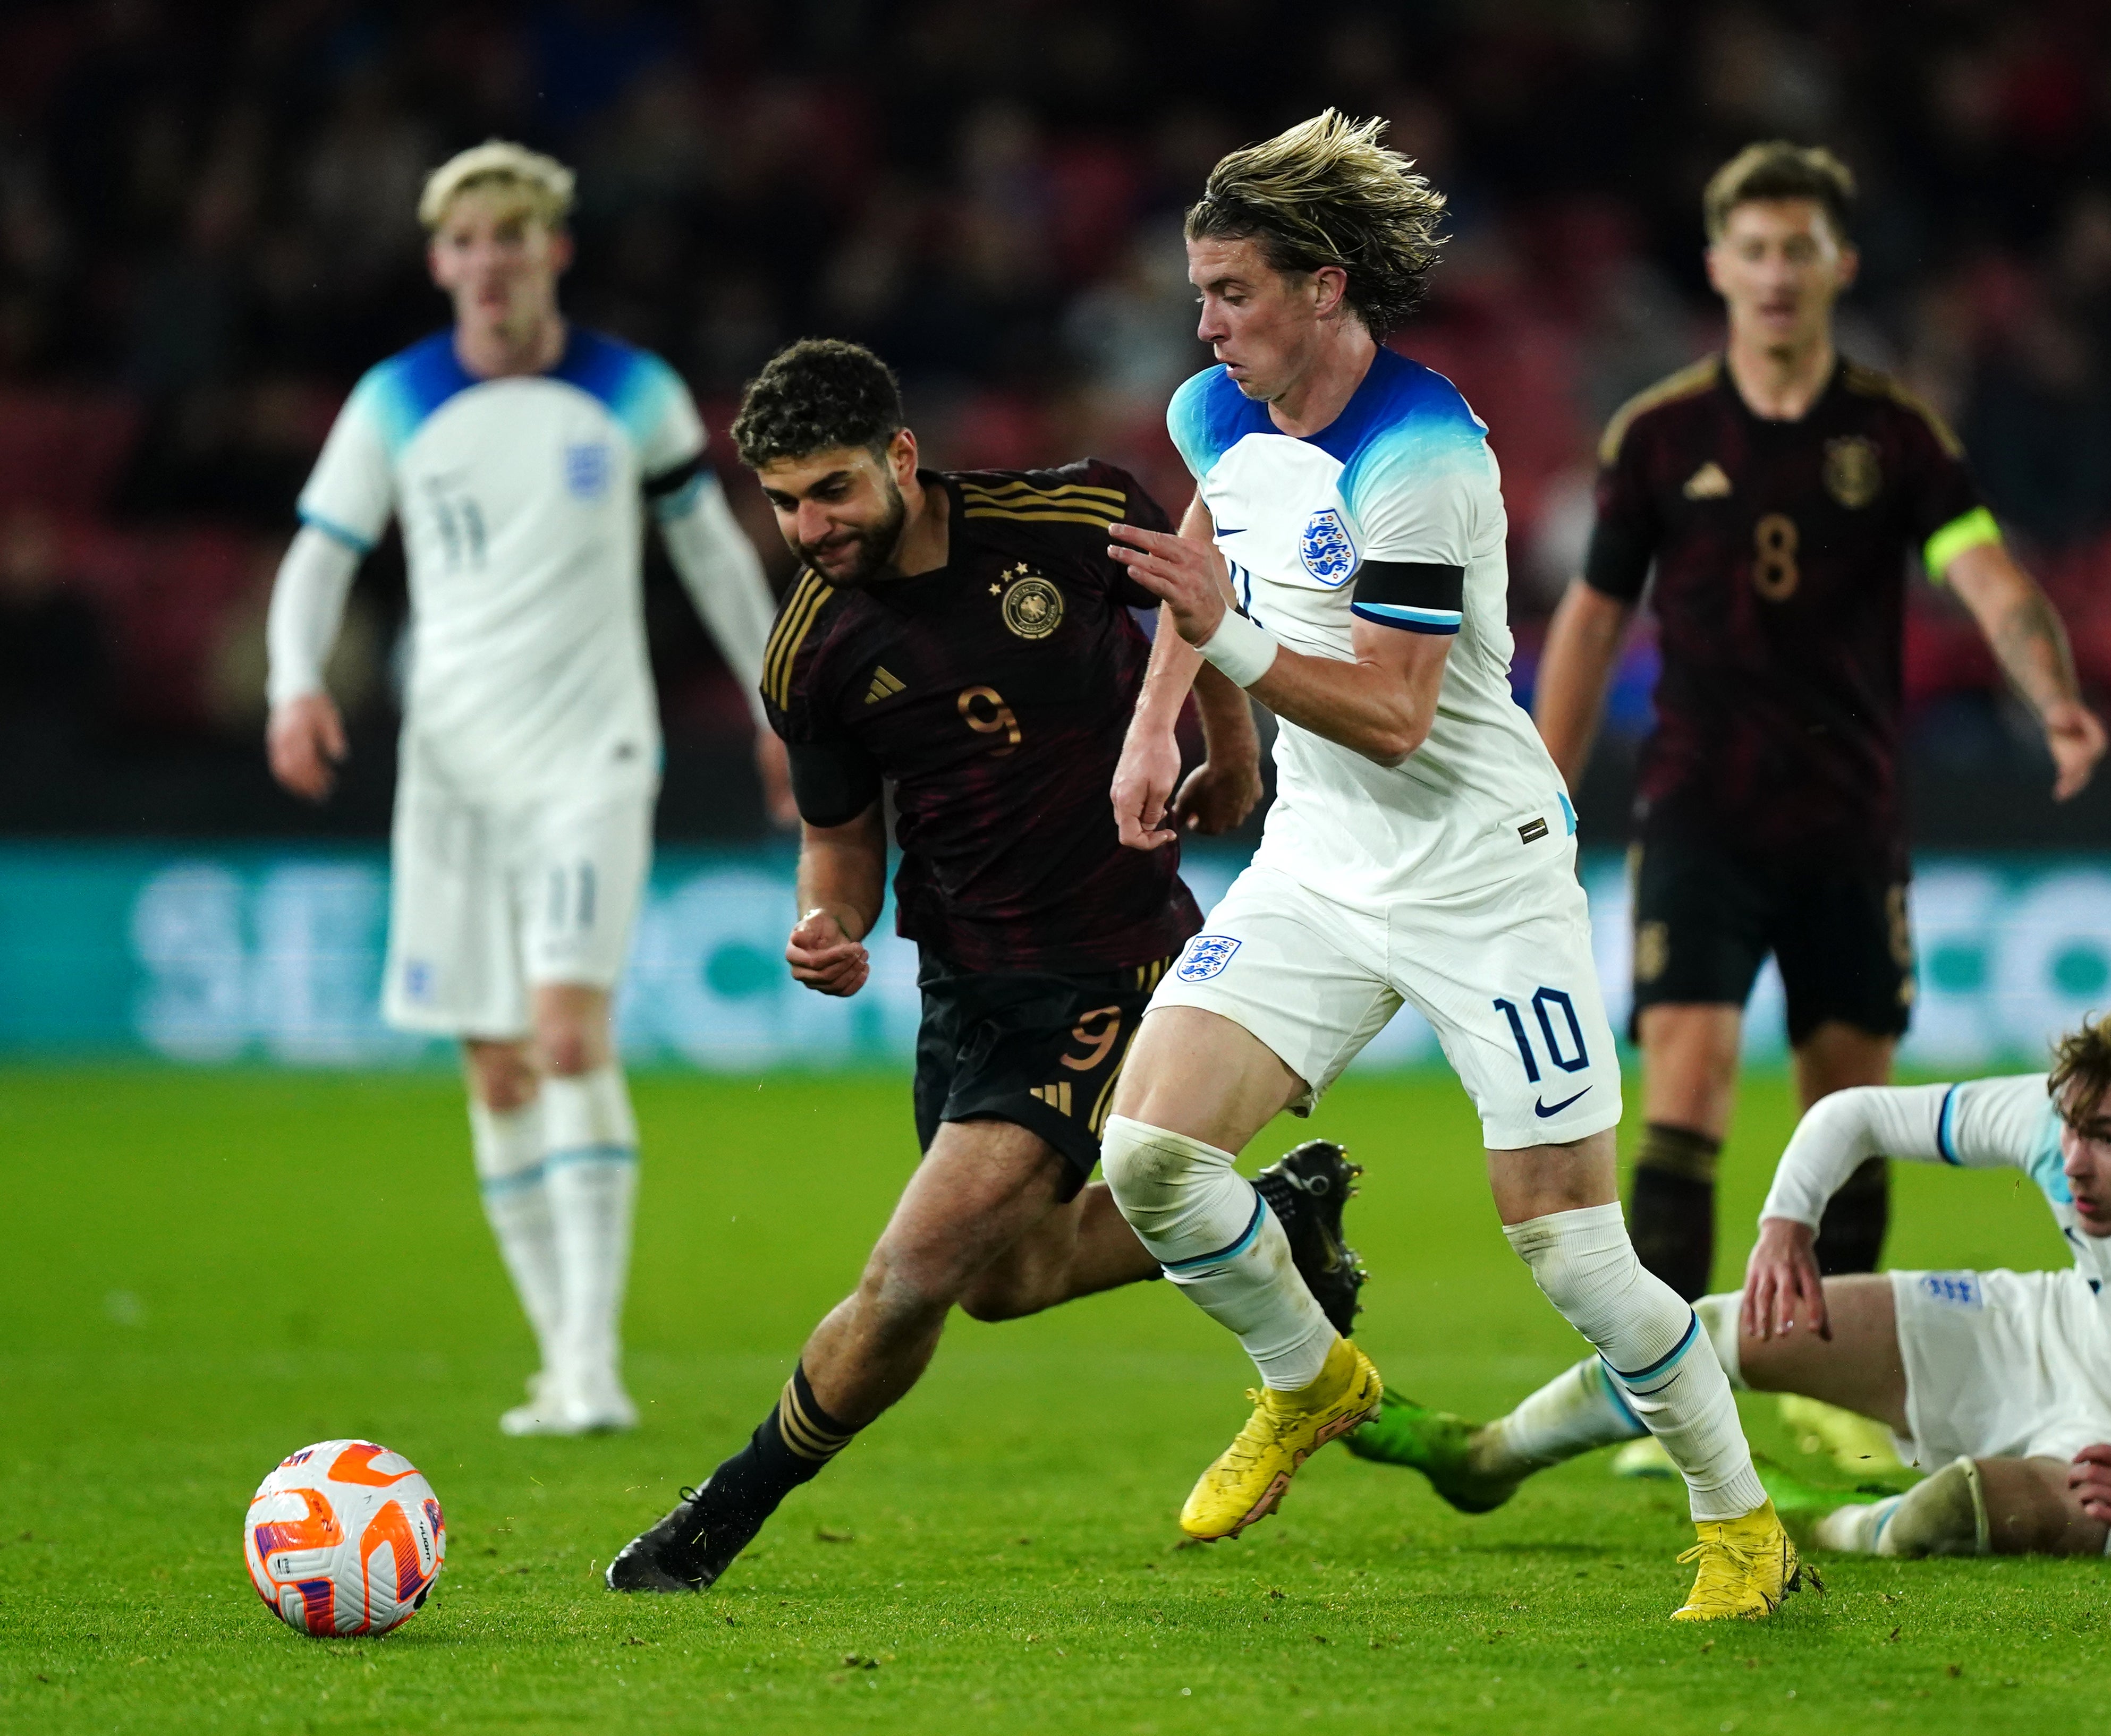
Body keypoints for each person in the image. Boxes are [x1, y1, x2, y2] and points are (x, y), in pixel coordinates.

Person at [1095, 111, 1798, 1623]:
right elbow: (1206, 551)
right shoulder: (1213, 412)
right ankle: (1309, 1378)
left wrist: (1222, 641)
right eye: (1198, 292)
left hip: (1482, 869)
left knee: (1572, 1247)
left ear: (1325, 286)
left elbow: (1397, 719)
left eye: (1231, 292)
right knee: (1148, 1156)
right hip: (1320, 859)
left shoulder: (1424, 459)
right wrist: (1163, 725)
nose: (1203, 325)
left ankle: (1738, 1517)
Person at [607, 339, 1367, 1593]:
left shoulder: (1067, 516)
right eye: (786, 499)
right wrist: (828, 921)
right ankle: (1278, 1212)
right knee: (1005, 1280)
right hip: (964, 976)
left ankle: (714, 1520)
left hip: (1106, 956)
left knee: (908, 1272)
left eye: (833, 490)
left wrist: (1234, 752)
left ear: (901, 457)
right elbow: (839, 838)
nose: (810, 525)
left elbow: (1206, 594)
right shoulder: (811, 653)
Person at [1530, 142, 2107, 1474]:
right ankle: (1662, 1391)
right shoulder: (1660, 437)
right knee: (1688, 1078)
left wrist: (2053, 693)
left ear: (1839, 265)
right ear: (1721, 267)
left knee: (1846, 1105)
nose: (1778, 272)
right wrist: (1547, 790)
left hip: (1848, 824)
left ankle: (1835, 1392)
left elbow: (1990, 577)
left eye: (1802, 249)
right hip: (1698, 816)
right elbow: (1593, 624)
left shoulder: (1896, 438)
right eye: (1756, 249)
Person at [264, 142, 792, 1436]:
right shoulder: (396, 398)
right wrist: (293, 681)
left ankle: (592, 1362)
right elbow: (319, 557)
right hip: (450, 772)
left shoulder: (631, 391)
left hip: (589, 755)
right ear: (440, 260)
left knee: (567, 1034)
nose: (490, 260)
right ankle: (559, 1365)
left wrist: (781, 696)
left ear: (555, 246)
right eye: (467, 240)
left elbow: (713, 552)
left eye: (513, 234)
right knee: (495, 1067)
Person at [1351, 1006, 2111, 1565]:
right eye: (2072, 1128)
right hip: (2040, 1330)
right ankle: (1485, 1455)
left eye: (2110, 1140)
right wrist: (1787, 1222)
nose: (2074, 1159)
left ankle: (1819, 1515)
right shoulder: (2062, 1127)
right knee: (1725, 1329)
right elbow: (1855, 1112)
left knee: (1949, 1513)